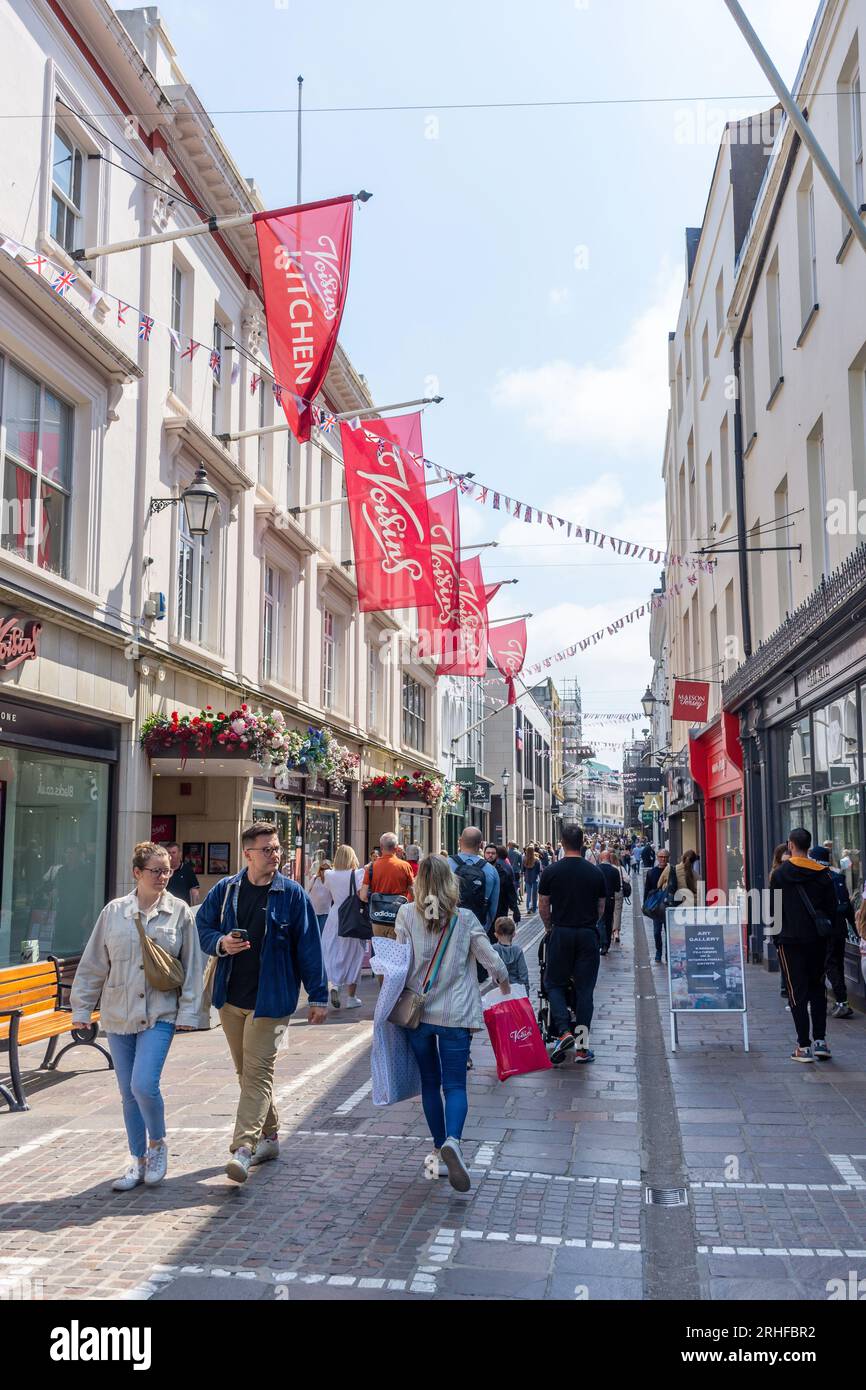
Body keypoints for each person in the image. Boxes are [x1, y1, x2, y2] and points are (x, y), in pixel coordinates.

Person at [196, 821, 328, 1183]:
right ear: (248, 854)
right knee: (247, 1073)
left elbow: (309, 947)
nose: (276, 855)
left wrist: (318, 995)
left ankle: (243, 1148)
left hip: (272, 1000)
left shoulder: (292, 894)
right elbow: (203, 927)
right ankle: (269, 1137)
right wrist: (222, 943)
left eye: (278, 848)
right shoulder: (226, 890)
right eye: (267, 849)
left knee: (257, 1073)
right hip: (231, 998)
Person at [70, 841, 202, 1191]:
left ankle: (157, 1145)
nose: (163, 876)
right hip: (118, 1012)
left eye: (167, 870)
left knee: (144, 1084)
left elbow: (192, 967)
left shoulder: (180, 912)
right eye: (156, 871)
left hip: (160, 1012)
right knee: (128, 1093)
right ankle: (136, 1160)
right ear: (136, 873)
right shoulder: (114, 912)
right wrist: (81, 1009)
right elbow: (94, 964)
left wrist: (189, 1011)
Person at [394, 854, 510, 1191]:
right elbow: (493, 961)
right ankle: (454, 1143)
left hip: (417, 1014)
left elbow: (400, 963)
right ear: (450, 883)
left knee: (430, 1083)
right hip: (455, 1015)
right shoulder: (465, 918)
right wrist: (504, 984)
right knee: (455, 1085)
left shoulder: (405, 914)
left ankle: (436, 1147)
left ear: (419, 883)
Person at [538, 824, 606, 1065]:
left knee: (553, 983)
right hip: (587, 934)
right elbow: (600, 908)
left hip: (561, 932)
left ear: (562, 842)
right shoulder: (595, 872)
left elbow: (543, 906)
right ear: (583, 843)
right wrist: (589, 924)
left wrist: (550, 928)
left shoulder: (551, 871)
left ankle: (564, 1031)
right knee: (585, 991)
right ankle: (582, 1048)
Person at [770, 827, 838, 1063]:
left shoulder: (779, 875)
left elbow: (773, 911)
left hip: (789, 942)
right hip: (817, 940)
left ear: (790, 845)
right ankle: (820, 1041)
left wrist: (775, 939)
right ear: (809, 846)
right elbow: (832, 909)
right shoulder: (824, 874)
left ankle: (803, 1045)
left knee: (796, 991)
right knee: (817, 988)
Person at [809, 845, 856, 1019]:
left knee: (828, 964)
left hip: (823, 930)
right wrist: (854, 928)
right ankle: (840, 1000)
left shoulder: (816, 879)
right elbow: (848, 906)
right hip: (840, 929)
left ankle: (841, 1001)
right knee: (838, 963)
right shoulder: (838, 877)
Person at [322, 845, 366, 1010]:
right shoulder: (357, 874)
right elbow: (362, 895)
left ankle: (334, 984)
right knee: (354, 955)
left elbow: (328, 892)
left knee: (333, 951)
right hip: (352, 916)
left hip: (334, 916)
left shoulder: (329, 875)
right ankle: (351, 997)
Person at [359, 832, 415, 939]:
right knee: (398, 952)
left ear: (381, 847)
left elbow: (363, 896)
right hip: (399, 916)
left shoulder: (372, 867)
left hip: (378, 918)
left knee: (379, 953)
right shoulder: (405, 866)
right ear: (396, 848)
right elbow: (413, 893)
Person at [448, 827, 499, 934]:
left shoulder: (445, 865)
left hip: (450, 928)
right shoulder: (491, 870)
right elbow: (493, 907)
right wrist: (485, 928)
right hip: (478, 928)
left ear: (460, 841)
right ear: (481, 845)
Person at [643, 847, 670, 963]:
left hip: (669, 906)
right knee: (656, 932)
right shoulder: (651, 872)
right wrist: (645, 905)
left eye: (665, 857)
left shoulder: (672, 871)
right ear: (657, 857)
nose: (663, 859)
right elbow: (647, 890)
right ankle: (658, 951)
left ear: (668, 858)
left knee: (669, 932)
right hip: (656, 908)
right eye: (661, 857)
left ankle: (668, 954)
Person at [491, 916, 530, 989]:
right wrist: (525, 991)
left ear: (496, 935)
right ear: (514, 934)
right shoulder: (517, 950)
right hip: (516, 991)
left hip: (498, 990)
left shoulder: (493, 950)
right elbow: (523, 973)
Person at [597, 850, 621, 954]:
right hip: (611, 899)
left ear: (601, 858)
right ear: (609, 858)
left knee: (600, 921)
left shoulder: (596, 869)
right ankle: (607, 944)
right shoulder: (615, 871)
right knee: (609, 920)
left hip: (599, 899)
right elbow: (617, 888)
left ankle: (603, 943)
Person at [165, 842, 200, 906]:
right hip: (165, 908)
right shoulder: (162, 870)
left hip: (183, 909)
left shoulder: (187, 870)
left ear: (180, 854)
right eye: (169, 853)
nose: (171, 855)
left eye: (173, 852)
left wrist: (195, 910)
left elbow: (194, 892)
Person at [306, 858, 333, 932]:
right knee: (313, 933)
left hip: (325, 912)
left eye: (326, 869)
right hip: (313, 911)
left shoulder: (331, 881)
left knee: (322, 934)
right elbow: (307, 891)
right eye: (322, 869)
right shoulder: (314, 879)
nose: (324, 871)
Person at [608, 850, 625, 946]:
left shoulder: (607, 868)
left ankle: (610, 932)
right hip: (619, 892)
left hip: (609, 892)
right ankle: (616, 932)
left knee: (609, 912)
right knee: (617, 912)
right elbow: (627, 879)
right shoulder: (620, 868)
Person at [522, 845, 542, 914]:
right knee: (534, 894)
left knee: (528, 894)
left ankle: (528, 908)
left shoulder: (524, 859)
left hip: (527, 878)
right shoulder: (536, 860)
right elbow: (539, 870)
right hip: (535, 878)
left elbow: (523, 870)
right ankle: (534, 908)